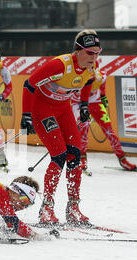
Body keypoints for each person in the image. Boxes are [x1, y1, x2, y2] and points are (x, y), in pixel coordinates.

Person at [20, 29, 101, 226]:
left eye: (98, 52)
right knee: (59, 154)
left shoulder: (91, 67)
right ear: (78, 51)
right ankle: (46, 207)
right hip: (43, 110)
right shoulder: (60, 65)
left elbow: (89, 81)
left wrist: (83, 105)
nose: (94, 57)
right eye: (90, 52)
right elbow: (29, 84)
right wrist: (26, 115)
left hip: (63, 109)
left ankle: (73, 208)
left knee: (75, 154)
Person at [71, 69, 137, 172]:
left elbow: (102, 89)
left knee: (109, 130)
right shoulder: (77, 78)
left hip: (95, 102)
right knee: (84, 128)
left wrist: (103, 98)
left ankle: (122, 159)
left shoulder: (101, 77)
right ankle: (82, 158)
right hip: (79, 103)